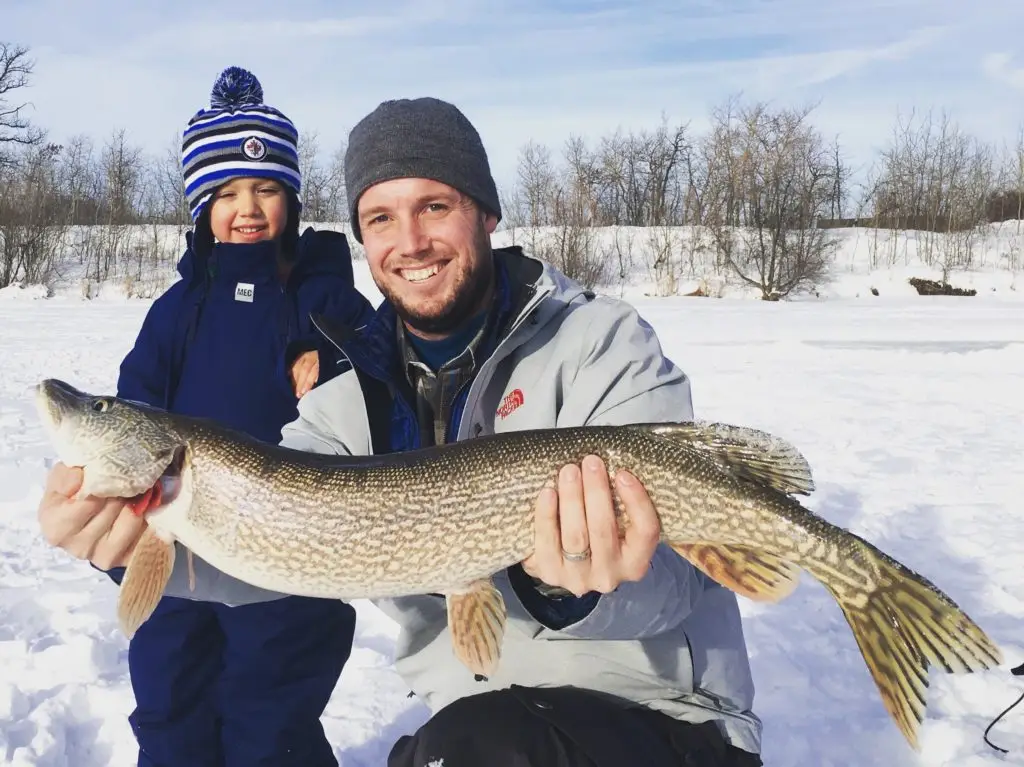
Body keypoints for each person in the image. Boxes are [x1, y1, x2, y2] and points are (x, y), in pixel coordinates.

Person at [37, 96, 763, 767]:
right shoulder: (343, 408)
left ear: (485, 213)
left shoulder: (600, 343)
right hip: (471, 723)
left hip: (666, 717)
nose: (410, 241)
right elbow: (264, 557)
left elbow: (684, 577)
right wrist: (128, 548)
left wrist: (576, 586)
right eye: (380, 218)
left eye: (434, 206)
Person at [37, 67, 375, 767]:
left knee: (272, 722)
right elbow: (134, 406)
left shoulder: (330, 302)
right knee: (169, 710)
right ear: (199, 203)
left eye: (265, 188)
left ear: (291, 195)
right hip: (178, 555)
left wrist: (338, 371)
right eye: (224, 192)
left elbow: (389, 390)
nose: (246, 207)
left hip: (291, 561)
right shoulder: (177, 309)